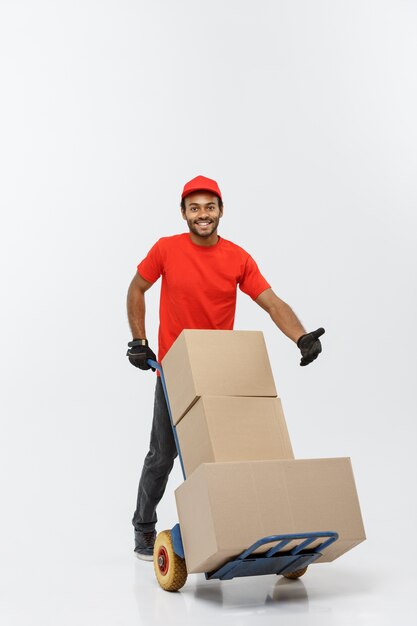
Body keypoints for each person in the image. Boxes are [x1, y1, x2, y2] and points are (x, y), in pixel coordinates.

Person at [126, 175, 324, 560]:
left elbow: (271, 302)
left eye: (210, 207)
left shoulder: (237, 257)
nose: (203, 214)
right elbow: (136, 288)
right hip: (175, 370)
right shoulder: (166, 250)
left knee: (227, 455)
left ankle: (233, 528)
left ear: (220, 211)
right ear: (183, 213)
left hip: (219, 369)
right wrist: (139, 340)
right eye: (195, 207)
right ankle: (143, 529)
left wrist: (300, 336)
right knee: (163, 455)